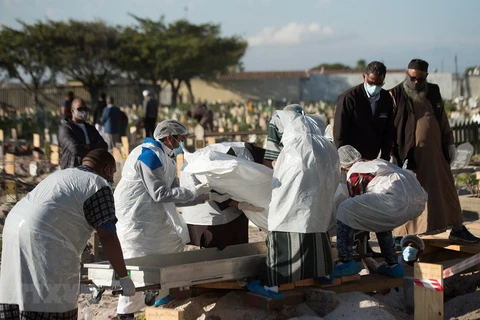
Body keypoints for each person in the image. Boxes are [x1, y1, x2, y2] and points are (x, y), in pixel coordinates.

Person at [0, 149, 135, 320]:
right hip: (43, 235)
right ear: (108, 169)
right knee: (52, 298)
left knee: (18, 290)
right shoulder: (97, 184)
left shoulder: (62, 174)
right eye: (113, 174)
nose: (111, 180)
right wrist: (123, 276)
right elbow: (107, 235)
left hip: (13, 226)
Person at [114, 120, 213, 318]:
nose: (182, 144)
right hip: (136, 219)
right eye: (180, 139)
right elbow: (160, 194)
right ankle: (126, 313)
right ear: (169, 138)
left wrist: (199, 197)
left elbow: (174, 193)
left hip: (152, 217)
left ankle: (158, 298)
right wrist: (194, 194)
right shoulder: (148, 155)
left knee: (173, 246)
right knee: (137, 262)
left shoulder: (165, 156)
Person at [251, 106, 339, 298]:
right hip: (327, 159)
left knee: (283, 214)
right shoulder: (316, 120)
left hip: (297, 160)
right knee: (316, 211)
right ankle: (323, 273)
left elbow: (271, 159)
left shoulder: (279, 117)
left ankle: (273, 286)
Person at [390, 59, 479, 243]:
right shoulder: (395, 94)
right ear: (407, 74)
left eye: (420, 79)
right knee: (408, 195)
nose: (416, 82)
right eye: (412, 78)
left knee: (447, 191)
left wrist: (450, 143)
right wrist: (391, 153)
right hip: (409, 156)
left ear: (426, 77)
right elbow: (388, 127)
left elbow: (442, 120)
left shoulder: (433, 91)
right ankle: (400, 236)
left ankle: (457, 228)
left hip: (436, 154)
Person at [333, 145, 405, 279]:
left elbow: (357, 204)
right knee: (381, 225)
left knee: (343, 214)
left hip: (382, 204)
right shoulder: (370, 164)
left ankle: (346, 261)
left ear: (342, 165)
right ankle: (393, 264)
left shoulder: (355, 174)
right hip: (396, 203)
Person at [180, 142, 266, 249]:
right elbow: (217, 188)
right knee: (220, 257)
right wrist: (239, 205)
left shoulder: (245, 156)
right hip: (211, 220)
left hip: (210, 212)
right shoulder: (236, 158)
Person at [334, 61, 394, 161]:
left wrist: (385, 157)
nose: (374, 87)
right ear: (364, 77)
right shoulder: (349, 98)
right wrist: (344, 160)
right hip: (351, 159)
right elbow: (340, 133)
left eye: (379, 84)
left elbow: (388, 130)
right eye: (371, 82)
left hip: (373, 158)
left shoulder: (386, 98)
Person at [59, 98, 108, 169]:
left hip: (92, 168)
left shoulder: (90, 128)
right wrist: (94, 148)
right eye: (80, 109)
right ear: (72, 111)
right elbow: (75, 149)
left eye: (85, 109)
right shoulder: (66, 128)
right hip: (73, 169)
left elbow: (104, 146)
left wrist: (89, 146)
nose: (83, 111)